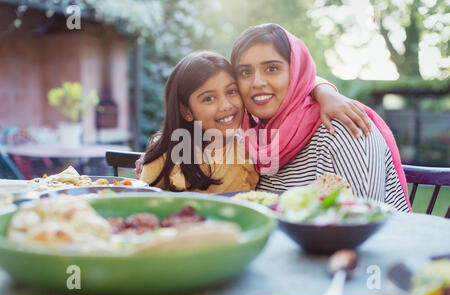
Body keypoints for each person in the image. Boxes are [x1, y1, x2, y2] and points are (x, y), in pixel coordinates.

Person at [230, 23, 411, 212]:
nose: (257, 82)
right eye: (245, 72)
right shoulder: (252, 139)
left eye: (272, 69)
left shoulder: (345, 128)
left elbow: (356, 224)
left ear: (296, 73)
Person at [138, 51, 371, 193]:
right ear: (186, 112)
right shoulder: (167, 153)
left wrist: (324, 91)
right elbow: (140, 207)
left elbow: (296, 83)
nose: (226, 105)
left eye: (232, 92)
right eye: (209, 98)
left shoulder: (254, 144)